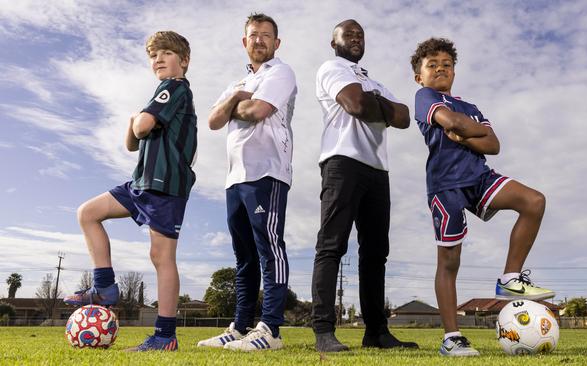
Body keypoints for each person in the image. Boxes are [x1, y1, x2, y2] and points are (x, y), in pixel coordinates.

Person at [410, 37, 555, 356]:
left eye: (447, 65)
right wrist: (466, 129)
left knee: (533, 201)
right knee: (449, 260)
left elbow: (493, 144)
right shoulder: (424, 97)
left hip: (479, 176)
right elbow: (448, 121)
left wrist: (463, 133)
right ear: (419, 76)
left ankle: (510, 276)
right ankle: (452, 337)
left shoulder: (471, 107)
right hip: (445, 183)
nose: (440, 69)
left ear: (455, 72)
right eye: (431, 65)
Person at [63, 31, 197, 352]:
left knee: (161, 257)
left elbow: (141, 127)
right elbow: (131, 142)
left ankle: (165, 336)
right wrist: (136, 121)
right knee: (88, 213)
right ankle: (105, 288)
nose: (159, 59)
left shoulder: (174, 88)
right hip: (141, 183)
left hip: (165, 186)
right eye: (154, 55)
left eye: (166, 53)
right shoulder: (161, 94)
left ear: (184, 61)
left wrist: (138, 119)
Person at [311, 19, 417, 352]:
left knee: (375, 254)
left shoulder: (373, 81)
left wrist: (375, 101)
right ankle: (324, 331)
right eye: (349, 34)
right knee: (332, 246)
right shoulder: (331, 68)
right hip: (342, 162)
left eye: (360, 35)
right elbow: (356, 105)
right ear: (334, 42)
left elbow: (404, 118)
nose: (356, 38)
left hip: (377, 170)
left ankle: (376, 332)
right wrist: (378, 106)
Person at [197, 13, 296, 352]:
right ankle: (240, 327)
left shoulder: (281, 72)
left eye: (266, 35)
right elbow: (213, 120)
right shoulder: (237, 83)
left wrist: (236, 104)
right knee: (244, 257)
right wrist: (237, 97)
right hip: (234, 177)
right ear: (244, 41)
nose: (259, 40)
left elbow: (258, 110)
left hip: (267, 172)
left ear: (276, 42)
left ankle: (270, 329)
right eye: (253, 35)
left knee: (269, 248)